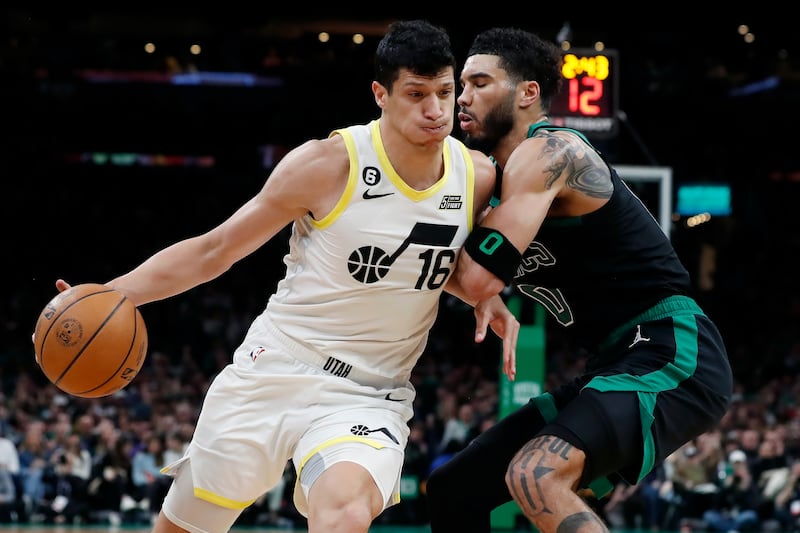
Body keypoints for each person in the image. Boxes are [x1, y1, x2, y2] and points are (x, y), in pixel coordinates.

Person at [35, 19, 519, 533]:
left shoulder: (475, 176)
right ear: (381, 94)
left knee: (346, 512)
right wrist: (115, 293)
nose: (436, 110)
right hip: (278, 365)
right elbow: (215, 249)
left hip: (368, 392)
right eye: (416, 94)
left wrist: (482, 293)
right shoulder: (326, 164)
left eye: (444, 92)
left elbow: (444, 258)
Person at [426, 27, 733, 533]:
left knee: (534, 474)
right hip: (615, 359)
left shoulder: (550, 153)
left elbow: (474, 277)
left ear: (528, 92)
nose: (462, 97)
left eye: (479, 83)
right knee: (454, 491)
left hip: (672, 349)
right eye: (462, 85)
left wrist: (411, 245)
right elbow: (473, 280)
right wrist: (481, 291)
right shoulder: (498, 185)